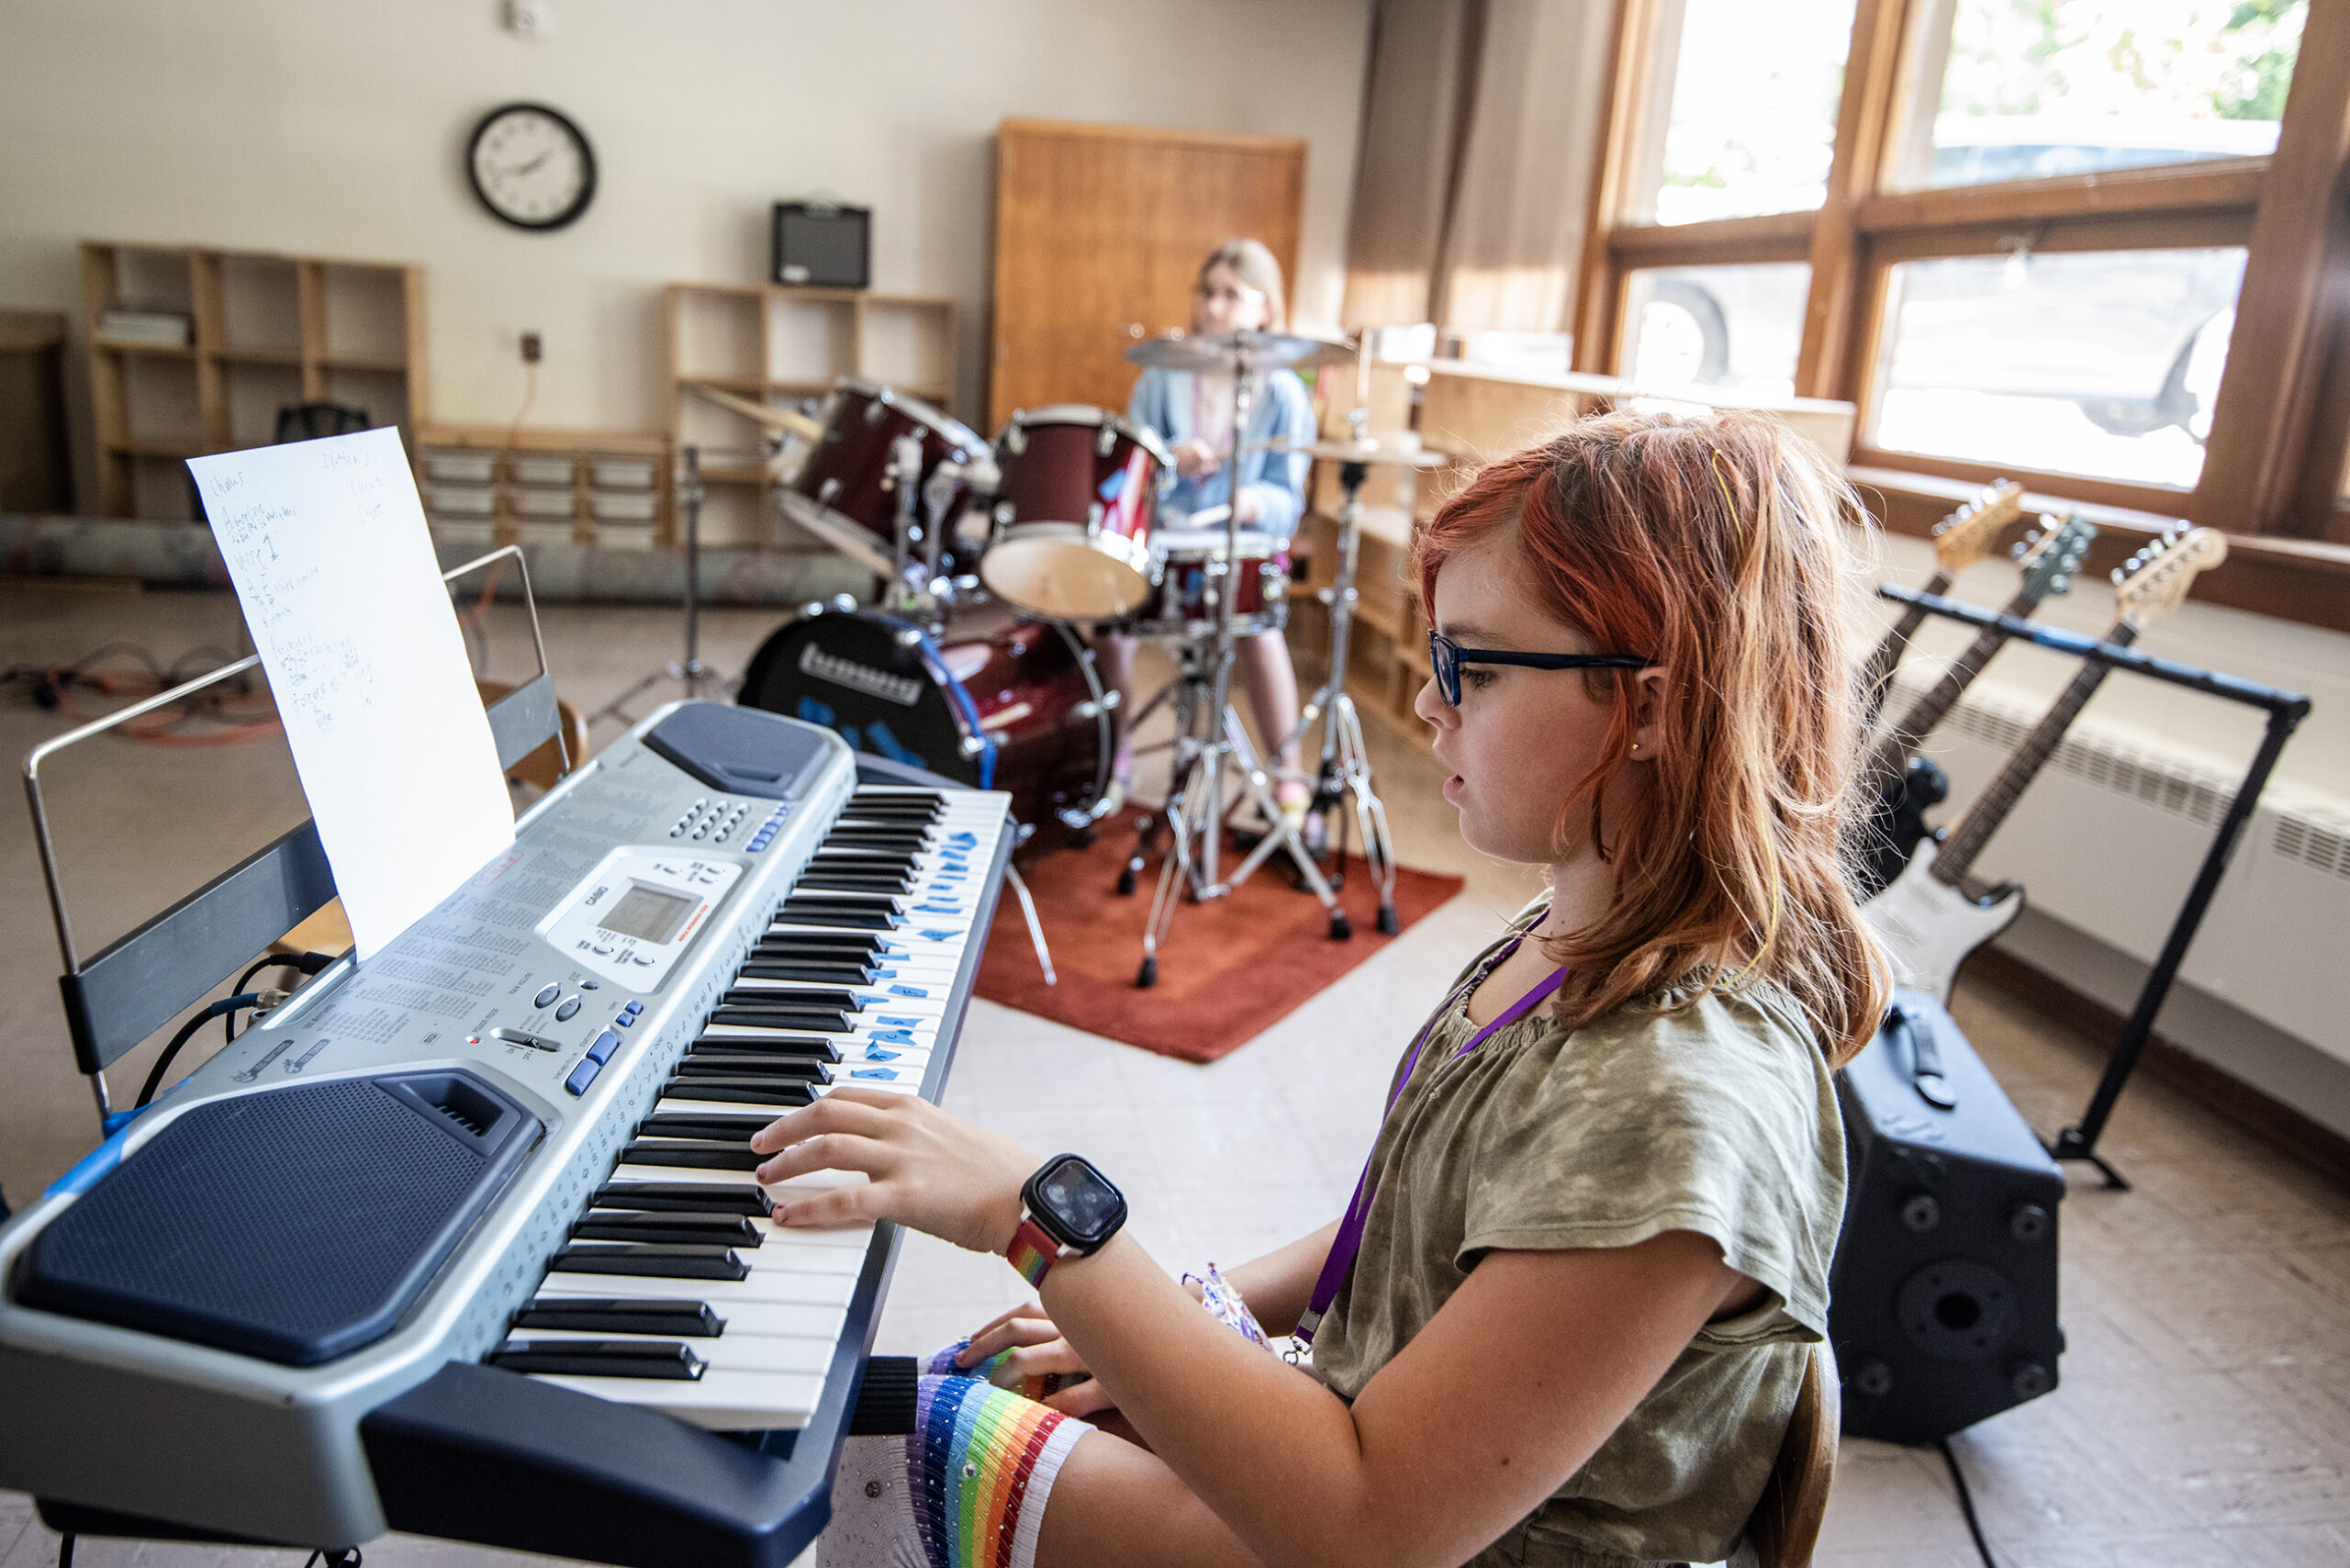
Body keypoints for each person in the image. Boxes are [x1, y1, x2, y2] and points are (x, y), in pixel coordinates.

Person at [763, 409, 1889, 1568]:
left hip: (1412, 1533)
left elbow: (1363, 1529)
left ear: (1652, 705)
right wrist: (1198, 1305)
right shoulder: (1567, 928)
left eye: (1475, 665)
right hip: (1378, 1442)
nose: (1428, 704)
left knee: (882, 1434)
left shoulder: (1678, 1105)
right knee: (992, 1370)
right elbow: (1403, 1228)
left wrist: (1038, 1218)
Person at [1101, 238, 1318, 823]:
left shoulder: (1284, 393)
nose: (1214, 307)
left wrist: (1251, 502)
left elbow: (1288, 502)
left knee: (1260, 631)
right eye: (1207, 293)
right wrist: (1171, 458)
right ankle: (1115, 751)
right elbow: (1132, 476)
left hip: (1241, 547)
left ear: (1264, 310)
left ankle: (1289, 773)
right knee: (1110, 620)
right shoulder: (1160, 378)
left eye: (1231, 295)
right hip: (1166, 539)